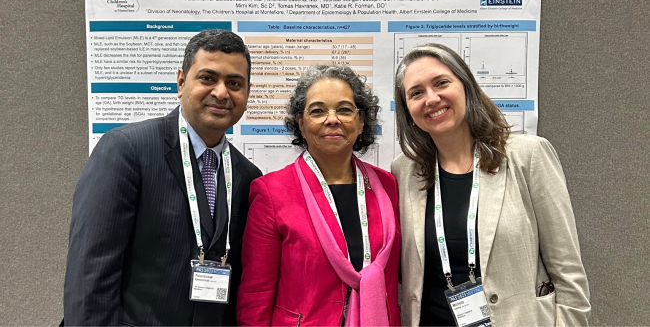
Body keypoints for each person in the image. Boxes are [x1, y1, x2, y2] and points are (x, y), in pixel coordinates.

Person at [63, 29, 262, 326]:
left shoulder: (247, 176)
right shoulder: (127, 150)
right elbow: (90, 272)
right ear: (181, 82)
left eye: (234, 83)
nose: (221, 93)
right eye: (208, 78)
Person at [391, 44, 591, 326]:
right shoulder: (404, 172)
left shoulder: (527, 156)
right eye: (416, 93)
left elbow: (568, 273)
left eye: (442, 83)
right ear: (407, 109)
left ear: (466, 86)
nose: (431, 99)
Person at [237, 65, 401, 326]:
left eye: (345, 110)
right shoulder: (270, 192)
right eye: (318, 111)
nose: (332, 119)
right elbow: (256, 294)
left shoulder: (387, 185)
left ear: (361, 122)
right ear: (301, 124)